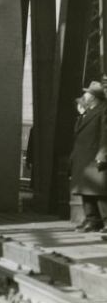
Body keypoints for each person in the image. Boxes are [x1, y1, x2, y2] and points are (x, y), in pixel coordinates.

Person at [70, 80, 107, 232]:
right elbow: (78, 132)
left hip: (94, 156)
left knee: (99, 191)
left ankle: (105, 221)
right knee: (86, 190)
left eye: (87, 93)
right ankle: (92, 220)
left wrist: (103, 154)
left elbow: (105, 134)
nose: (84, 96)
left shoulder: (103, 110)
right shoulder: (89, 111)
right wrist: (82, 114)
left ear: (94, 97)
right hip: (84, 157)